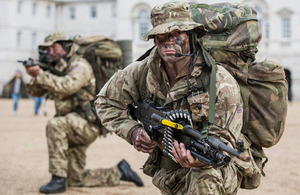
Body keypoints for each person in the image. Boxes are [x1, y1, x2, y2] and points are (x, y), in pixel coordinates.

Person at [96, 1, 253, 194]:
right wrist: (133, 131)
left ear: (190, 36)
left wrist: (197, 160)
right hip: (168, 172)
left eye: (178, 32)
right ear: (154, 39)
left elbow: (225, 139)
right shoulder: (141, 72)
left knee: (203, 175)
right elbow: (105, 102)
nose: (170, 40)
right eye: (163, 34)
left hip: (215, 170)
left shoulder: (219, 81)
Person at [25, 32, 143, 194]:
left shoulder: (80, 65)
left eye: (53, 47)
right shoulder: (57, 67)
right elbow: (35, 93)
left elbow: (67, 86)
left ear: (66, 46)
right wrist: (35, 76)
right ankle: (119, 172)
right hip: (72, 124)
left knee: (55, 125)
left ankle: (57, 180)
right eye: (47, 49)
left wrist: (41, 75)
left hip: (87, 123)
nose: (50, 51)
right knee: (75, 178)